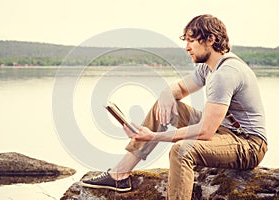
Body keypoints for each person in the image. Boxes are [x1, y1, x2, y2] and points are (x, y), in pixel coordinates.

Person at [80, 14, 267, 199]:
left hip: (248, 144)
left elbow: (205, 132)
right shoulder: (208, 67)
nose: (186, 48)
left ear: (211, 39)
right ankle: (120, 174)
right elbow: (178, 89)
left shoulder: (225, 74)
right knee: (164, 106)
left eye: (192, 41)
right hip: (223, 130)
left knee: (181, 150)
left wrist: (153, 136)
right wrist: (165, 94)